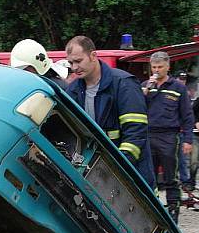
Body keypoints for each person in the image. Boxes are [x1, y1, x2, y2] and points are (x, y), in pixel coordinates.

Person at [65, 35, 155, 187]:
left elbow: (136, 132)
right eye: (71, 63)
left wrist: (120, 167)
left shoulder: (123, 84)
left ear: (93, 55)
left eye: (78, 61)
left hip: (132, 174)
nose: (74, 68)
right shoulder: (73, 91)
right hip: (95, 175)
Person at [143, 51, 194, 221]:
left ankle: (173, 210)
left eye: (160, 67)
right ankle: (151, 210)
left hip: (169, 136)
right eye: (154, 67)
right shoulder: (146, 86)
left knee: (171, 176)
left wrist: (188, 140)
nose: (156, 70)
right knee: (149, 175)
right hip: (149, 135)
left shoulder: (178, 87)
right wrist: (144, 93)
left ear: (168, 66)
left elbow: (187, 115)